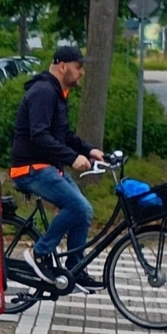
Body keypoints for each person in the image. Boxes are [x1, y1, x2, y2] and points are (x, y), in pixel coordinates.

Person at [10, 45, 104, 291]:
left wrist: (88, 150)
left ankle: (75, 269)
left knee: (84, 212)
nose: (81, 73)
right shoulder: (44, 92)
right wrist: (73, 158)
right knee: (78, 205)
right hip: (30, 168)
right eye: (78, 67)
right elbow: (39, 135)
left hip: (47, 166)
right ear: (63, 66)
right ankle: (39, 253)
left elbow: (64, 134)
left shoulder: (57, 93)